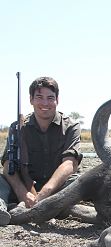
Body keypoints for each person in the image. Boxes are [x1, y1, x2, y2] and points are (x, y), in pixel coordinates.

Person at [0, 76, 82, 226]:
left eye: (50, 98)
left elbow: (69, 164)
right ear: (31, 100)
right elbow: (8, 165)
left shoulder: (71, 126)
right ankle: (3, 210)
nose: (45, 103)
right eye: (39, 97)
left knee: (81, 181)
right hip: (24, 188)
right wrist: (22, 193)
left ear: (57, 100)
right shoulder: (17, 127)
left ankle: (25, 209)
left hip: (59, 188)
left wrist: (45, 193)